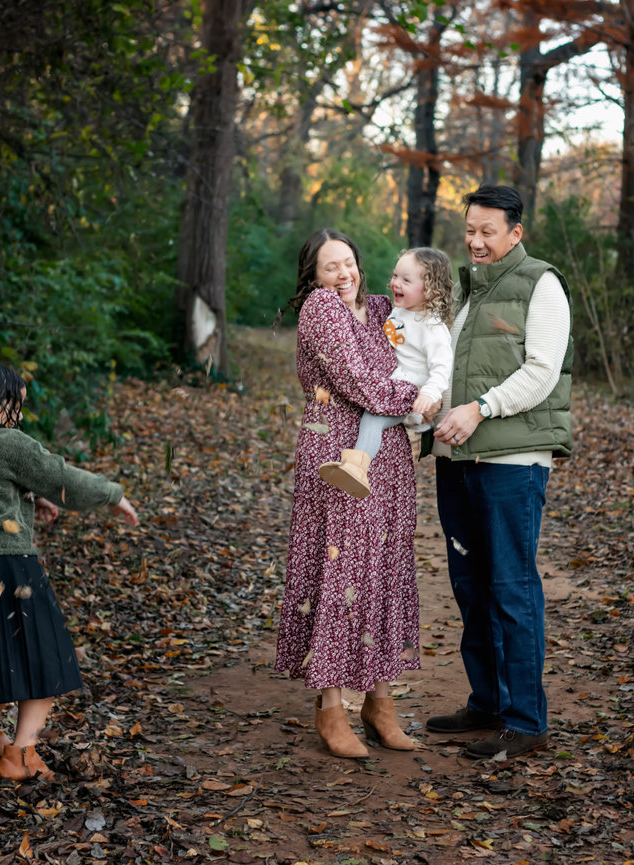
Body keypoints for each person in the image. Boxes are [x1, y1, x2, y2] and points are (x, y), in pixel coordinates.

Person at [0, 360, 139, 781]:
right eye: (14, 405)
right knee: (44, 659)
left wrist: (28, 498)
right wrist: (113, 495)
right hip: (6, 566)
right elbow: (61, 477)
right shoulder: (10, 442)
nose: (20, 415)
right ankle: (20, 754)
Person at [427, 185, 573, 759]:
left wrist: (480, 408)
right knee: (470, 587)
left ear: (516, 232)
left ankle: (526, 722)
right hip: (457, 462)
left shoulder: (542, 284)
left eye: (488, 231)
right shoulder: (463, 290)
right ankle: (487, 702)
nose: (476, 241)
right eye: (470, 229)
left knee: (511, 587)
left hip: (512, 463)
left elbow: (541, 372)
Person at [274, 228, 430, 759]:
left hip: (389, 458)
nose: (342, 276)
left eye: (348, 264)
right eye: (329, 268)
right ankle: (330, 706)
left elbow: (429, 322)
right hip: (338, 454)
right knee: (339, 569)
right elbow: (361, 384)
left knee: (383, 569)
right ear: (313, 278)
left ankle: (380, 704)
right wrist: (422, 398)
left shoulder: (384, 306)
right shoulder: (320, 309)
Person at [319, 247, 454, 498]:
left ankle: (357, 467)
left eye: (406, 280)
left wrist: (430, 393)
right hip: (393, 387)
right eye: (395, 276)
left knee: (373, 418)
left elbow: (442, 366)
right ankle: (356, 466)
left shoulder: (432, 326)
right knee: (372, 417)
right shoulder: (399, 311)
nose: (395, 283)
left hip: (413, 397)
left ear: (429, 289)